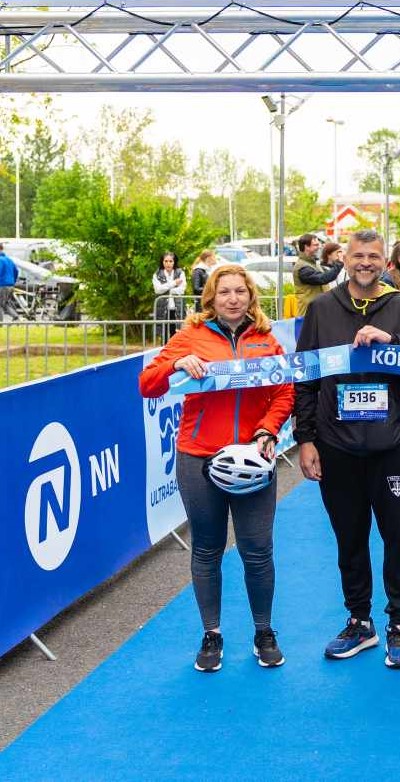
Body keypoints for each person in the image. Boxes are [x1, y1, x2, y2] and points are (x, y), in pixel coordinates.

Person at [138, 264, 295, 672]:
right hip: (199, 458)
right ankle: (212, 634)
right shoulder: (190, 335)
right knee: (207, 549)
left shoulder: (266, 339)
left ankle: (264, 631)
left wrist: (268, 429)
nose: (233, 299)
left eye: (240, 291)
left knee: (257, 549)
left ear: (251, 296)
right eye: (224, 292)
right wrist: (177, 363)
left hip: (254, 458)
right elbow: (148, 384)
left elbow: (284, 391)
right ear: (211, 297)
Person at [295, 230, 400, 670]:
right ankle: (359, 621)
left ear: (384, 261)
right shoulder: (321, 309)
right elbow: (305, 378)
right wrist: (305, 439)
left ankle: (398, 623)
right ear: (345, 259)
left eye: (374, 256)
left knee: (399, 537)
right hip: (337, 446)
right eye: (358, 255)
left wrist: (392, 345)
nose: (366, 263)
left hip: (393, 444)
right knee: (349, 538)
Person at [293, 233, 343, 314]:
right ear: (306, 247)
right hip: (309, 313)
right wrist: (339, 263)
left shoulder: (313, 263)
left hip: (318, 310)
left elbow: (327, 273)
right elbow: (322, 278)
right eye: (315, 245)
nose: (319, 247)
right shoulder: (303, 267)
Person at [153, 252, 187, 342]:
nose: (168, 263)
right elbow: (157, 290)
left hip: (176, 308)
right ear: (162, 262)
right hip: (163, 308)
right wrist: (174, 283)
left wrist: (166, 289)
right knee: (164, 334)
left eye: (170, 261)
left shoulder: (180, 272)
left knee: (176, 334)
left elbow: (181, 290)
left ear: (174, 262)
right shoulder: (157, 274)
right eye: (166, 261)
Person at [0, 242, 18, 321]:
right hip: (10, 285)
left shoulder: (0, 260)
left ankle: (1, 323)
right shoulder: (9, 260)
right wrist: (13, 281)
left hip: (2, 285)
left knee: (0, 304)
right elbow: (16, 271)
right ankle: (15, 316)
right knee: (5, 303)